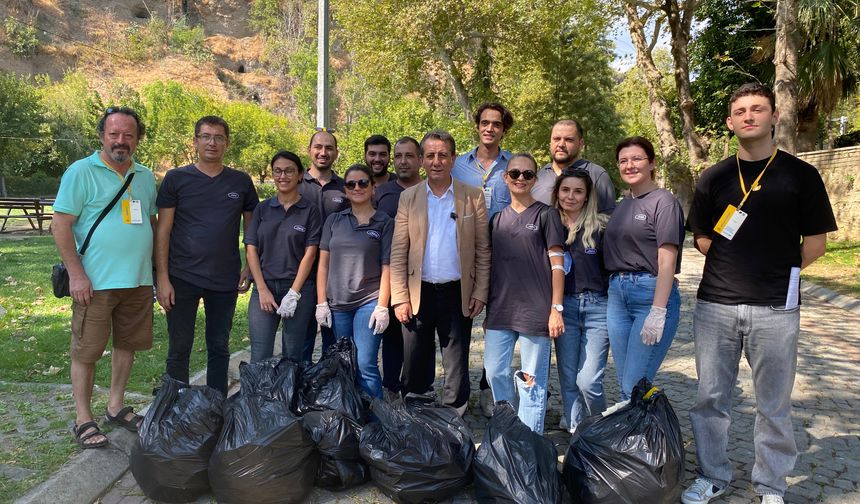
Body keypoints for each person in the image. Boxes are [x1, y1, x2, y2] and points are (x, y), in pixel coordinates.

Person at [682, 83, 837, 504]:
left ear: (774, 117)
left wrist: (773, 272)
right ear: (730, 123)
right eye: (740, 111)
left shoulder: (801, 176)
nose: (749, 116)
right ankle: (713, 476)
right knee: (710, 399)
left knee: (773, 405)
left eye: (758, 108)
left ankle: (770, 486)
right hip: (716, 306)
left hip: (776, 310)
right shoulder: (713, 177)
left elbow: (816, 243)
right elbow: (701, 237)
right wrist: (736, 265)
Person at [52, 107, 157, 448]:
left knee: (127, 345)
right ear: (101, 136)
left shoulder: (144, 176)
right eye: (114, 134)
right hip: (94, 284)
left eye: (128, 135)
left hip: (138, 281)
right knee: (87, 351)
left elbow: (151, 225)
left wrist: (155, 274)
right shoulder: (81, 172)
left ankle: (115, 406)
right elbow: (61, 225)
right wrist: (77, 275)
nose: (121, 141)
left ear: (138, 139)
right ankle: (83, 419)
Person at [390, 130, 491, 416]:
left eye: (443, 155)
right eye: (431, 155)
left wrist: (481, 291)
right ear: (422, 160)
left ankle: (454, 416)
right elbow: (399, 250)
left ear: (453, 158)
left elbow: (483, 249)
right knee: (415, 358)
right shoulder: (409, 197)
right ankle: (417, 412)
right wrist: (399, 297)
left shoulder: (472, 197)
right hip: (416, 291)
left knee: (457, 360)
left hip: (457, 292)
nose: (437, 161)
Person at [156, 116, 258, 395]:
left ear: (227, 143)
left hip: (224, 278)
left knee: (219, 346)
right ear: (195, 141)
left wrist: (249, 266)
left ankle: (216, 407)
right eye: (206, 136)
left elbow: (252, 229)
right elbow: (163, 231)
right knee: (179, 347)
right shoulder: (176, 179)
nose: (212, 142)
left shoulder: (241, 182)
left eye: (219, 137)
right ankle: (175, 407)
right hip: (181, 277)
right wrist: (162, 278)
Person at [483, 153, 566, 433]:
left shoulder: (547, 215)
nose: (521, 178)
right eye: (515, 173)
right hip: (500, 310)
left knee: (532, 381)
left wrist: (556, 309)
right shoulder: (496, 219)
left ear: (535, 179)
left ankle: (530, 441)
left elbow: (558, 265)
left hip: (536, 310)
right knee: (494, 371)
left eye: (528, 174)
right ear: (505, 178)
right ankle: (508, 430)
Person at [603, 136, 684, 400]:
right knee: (625, 380)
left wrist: (658, 311)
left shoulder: (664, 202)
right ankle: (632, 439)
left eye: (637, 159)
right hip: (618, 296)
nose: (630, 165)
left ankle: (640, 439)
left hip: (649, 295)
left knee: (634, 385)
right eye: (623, 161)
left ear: (652, 163)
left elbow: (667, 260)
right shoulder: (623, 205)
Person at [451, 102, 515, 415]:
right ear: (477, 126)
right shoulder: (457, 165)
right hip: (463, 255)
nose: (489, 128)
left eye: (497, 124)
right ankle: (458, 388)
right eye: (485, 122)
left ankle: (489, 387)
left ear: (504, 130)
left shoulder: (514, 166)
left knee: (498, 325)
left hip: (503, 257)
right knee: (460, 324)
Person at [316, 164, 394, 398]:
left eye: (363, 183)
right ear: (345, 189)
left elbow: (388, 266)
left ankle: (376, 423)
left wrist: (382, 306)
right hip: (338, 304)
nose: (357, 187)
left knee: (365, 364)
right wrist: (321, 302)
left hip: (368, 302)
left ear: (373, 187)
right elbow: (323, 264)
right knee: (343, 364)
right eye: (351, 184)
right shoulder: (334, 221)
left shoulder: (384, 222)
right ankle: (350, 419)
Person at [244, 151, 321, 363]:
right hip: (264, 287)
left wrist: (294, 293)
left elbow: (310, 253)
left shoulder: (310, 211)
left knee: (293, 354)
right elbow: (251, 247)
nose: (282, 176)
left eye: (289, 171)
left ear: (299, 176)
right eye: (277, 171)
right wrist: (261, 289)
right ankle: (259, 397)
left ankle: (288, 397)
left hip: (298, 289)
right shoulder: (263, 208)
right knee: (260, 354)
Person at [551, 168, 611, 433]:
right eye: (565, 190)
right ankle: (577, 432)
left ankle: (602, 428)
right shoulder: (549, 223)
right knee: (567, 377)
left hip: (598, 306)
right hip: (564, 306)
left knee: (588, 381)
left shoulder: (601, 227)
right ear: (557, 193)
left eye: (578, 191)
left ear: (587, 197)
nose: (571, 196)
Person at [373, 136, 423, 399]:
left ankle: (415, 389)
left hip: (422, 275)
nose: (403, 162)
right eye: (399, 157)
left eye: (409, 156)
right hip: (390, 272)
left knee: (415, 337)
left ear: (420, 159)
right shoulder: (382, 192)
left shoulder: (429, 191)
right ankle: (390, 387)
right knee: (391, 336)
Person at [298, 129, 347, 360]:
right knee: (302, 339)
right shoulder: (296, 184)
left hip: (335, 275)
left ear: (336, 153)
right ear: (309, 150)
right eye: (318, 147)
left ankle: (330, 391)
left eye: (329, 148)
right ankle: (302, 389)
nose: (323, 152)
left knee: (333, 341)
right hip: (300, 272)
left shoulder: (346, 188)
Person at [532, 119, 616, 214]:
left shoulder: (597, 175)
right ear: (550, 142)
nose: (561, 144)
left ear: (580, 144)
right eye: (556, 139)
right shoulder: (537, 177)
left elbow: (609, 220)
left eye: (569, 140)